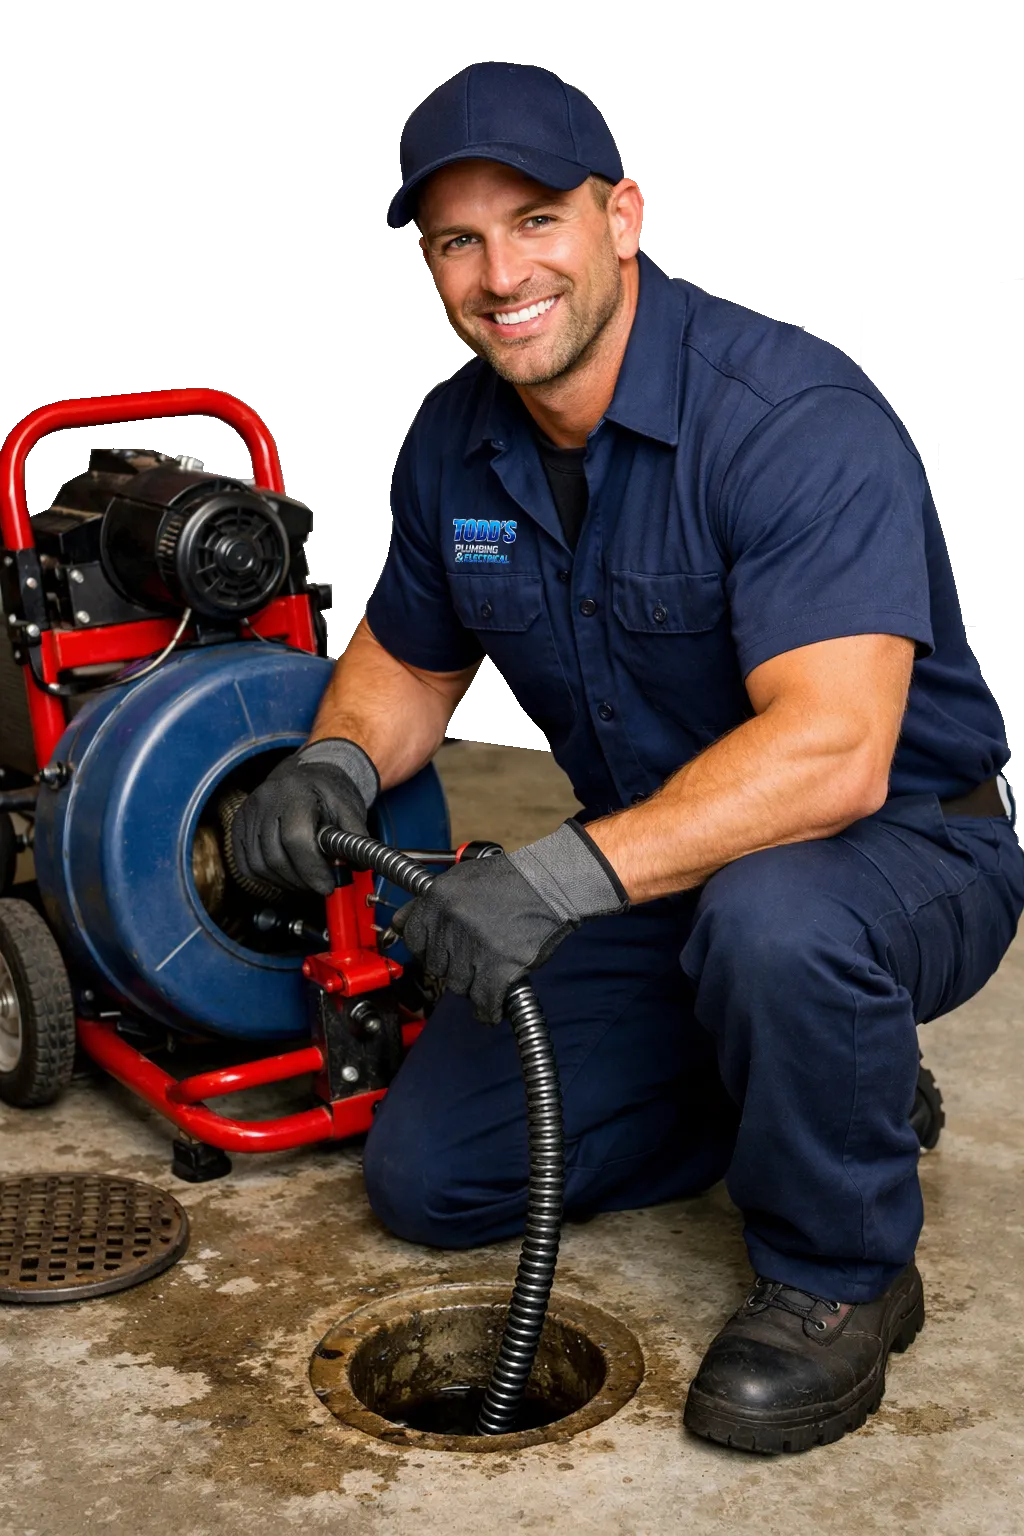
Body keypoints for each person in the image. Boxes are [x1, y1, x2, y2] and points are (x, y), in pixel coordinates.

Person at [232, 61, 1024, 1453]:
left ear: (622, 216)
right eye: (458, 241)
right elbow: (412, 659)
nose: (499, 272)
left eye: (536, 219)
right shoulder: (454, 440)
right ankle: (823, 1084)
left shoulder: (790, 421)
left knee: (776, 919)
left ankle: (840, 1277)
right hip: (662, 867)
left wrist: (556, 877)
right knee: (434, 1179)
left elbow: (835, 755)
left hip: (898, 855)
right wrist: (336, 762)